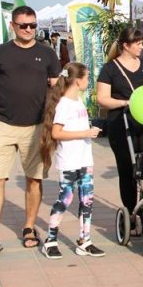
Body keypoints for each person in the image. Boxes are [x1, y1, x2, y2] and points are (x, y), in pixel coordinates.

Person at [0, 6, 60, 256]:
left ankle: (29, 227)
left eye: (33, 25)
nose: (29, 30)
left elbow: (57, 89)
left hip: (37, 127)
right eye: (24, 26)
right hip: (3, 125)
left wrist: (59, 125)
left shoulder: (47, 53)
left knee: (34, 179)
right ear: (13, 26)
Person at [96, 26, 143, 231]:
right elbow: (102, 99)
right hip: (122, 125)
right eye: (138, 43)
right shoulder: (110, 69)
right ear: (125, 46)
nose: (142, 46)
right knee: (128, 169)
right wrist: (126, 103)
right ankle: (131, 210)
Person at [39, 62, 105, 259]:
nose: (88, 81)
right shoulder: (64, 104)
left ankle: (85, 240)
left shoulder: (78, 101)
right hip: (69, 159)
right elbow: (57, 132)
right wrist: (86, 132)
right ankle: (51, 240)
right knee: (65, 198)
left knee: (87, 200)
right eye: (86, 78)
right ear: (77, 80)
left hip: (85, 159)